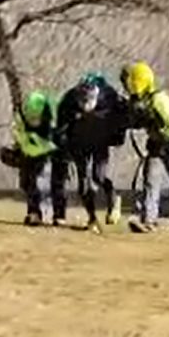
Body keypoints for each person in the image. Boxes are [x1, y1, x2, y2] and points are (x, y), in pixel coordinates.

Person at [120, 61, 169, 233]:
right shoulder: (142, 102)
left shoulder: (158, 100)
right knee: (150, 181)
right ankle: (149, 220)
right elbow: (136, 122)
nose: (128, 86)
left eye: (131, 82)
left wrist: (161, 135)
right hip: (157, 147)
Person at [55, 71, 129, 231]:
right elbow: (60, 128)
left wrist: (117, 137)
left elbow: (123, 118)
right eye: (82, 102)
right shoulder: (68, 101)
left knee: (99, 176)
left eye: (89, 101)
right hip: (78, 142)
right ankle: (92, 218)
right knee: (83, 182)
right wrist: (63, 147)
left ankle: (113, 199)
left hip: (100, 141)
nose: (85, 105)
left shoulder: (109, 97)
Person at [1, 90, 67, 227]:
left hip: (56, 146)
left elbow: (56, 141)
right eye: (30, 118)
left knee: (57, 180)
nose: (32, 121)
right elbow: (21, 137)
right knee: (28, 180)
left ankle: (59, 215)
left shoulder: (55, 117)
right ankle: (34, 213)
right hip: (30, 147)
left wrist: (38, 142)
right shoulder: (20, 118)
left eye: (35, 118)